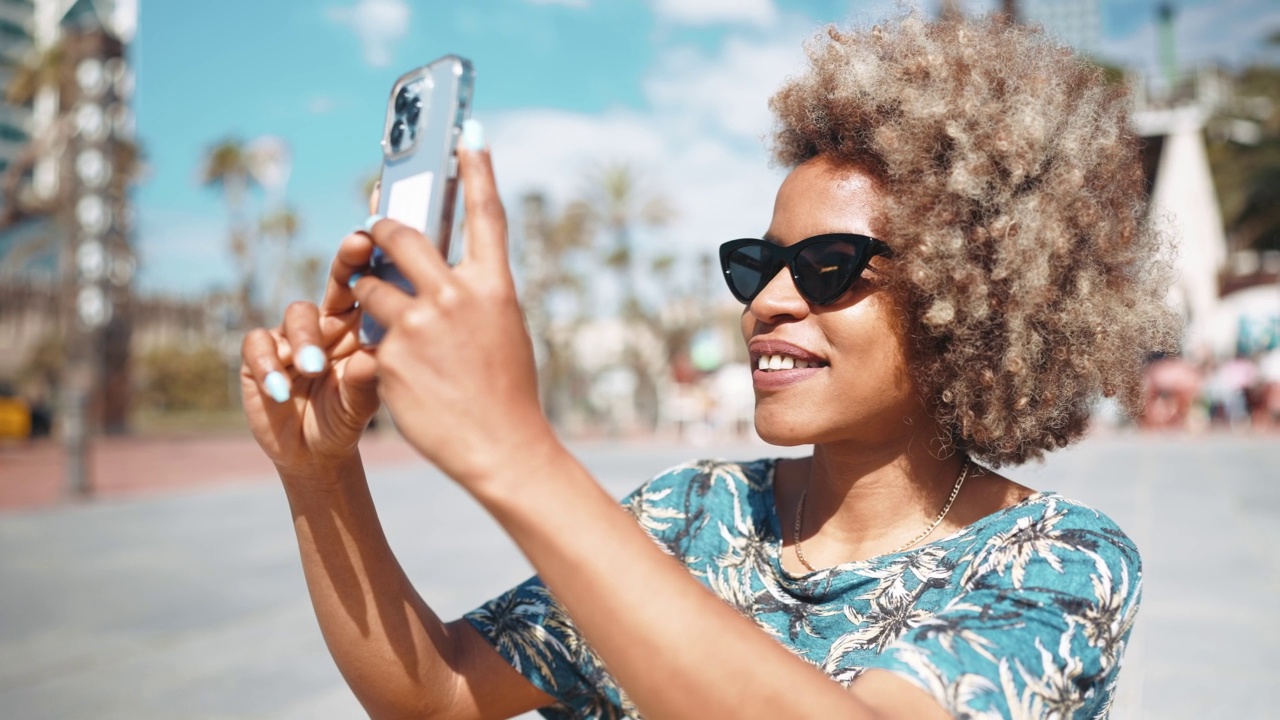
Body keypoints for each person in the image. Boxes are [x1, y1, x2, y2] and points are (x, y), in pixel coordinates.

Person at [240, 13, 1179, 719]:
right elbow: (436, 691)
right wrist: (319, 476)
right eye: (756, 264)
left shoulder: (1058, 562)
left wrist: (518, 455)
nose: (768, 300)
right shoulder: (691, 515)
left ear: (973, 303)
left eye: (827, 268)